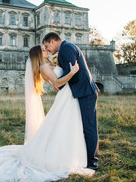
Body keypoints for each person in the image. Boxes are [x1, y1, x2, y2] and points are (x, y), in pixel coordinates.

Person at [0, 45, 95, 181]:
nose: (47, 51)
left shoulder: (45, 65)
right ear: (39, 55)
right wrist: (72, 72)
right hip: (67, 95)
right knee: (62, 126)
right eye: (44, 50)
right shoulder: (44, 67)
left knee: (62, 126)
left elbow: (55, 85)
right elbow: (58, 82)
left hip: (67, 95)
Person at [42, 32, 99, 170]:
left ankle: (92, 162)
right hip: (81, 91)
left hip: (85, 92)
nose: (47, 49)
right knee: (85, 126)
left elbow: (70, 72)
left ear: (52, 41)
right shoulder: (67, 47)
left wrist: (59, 84)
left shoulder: (66, 49)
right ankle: (87, 158)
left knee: (89, 127)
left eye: (46, 46)